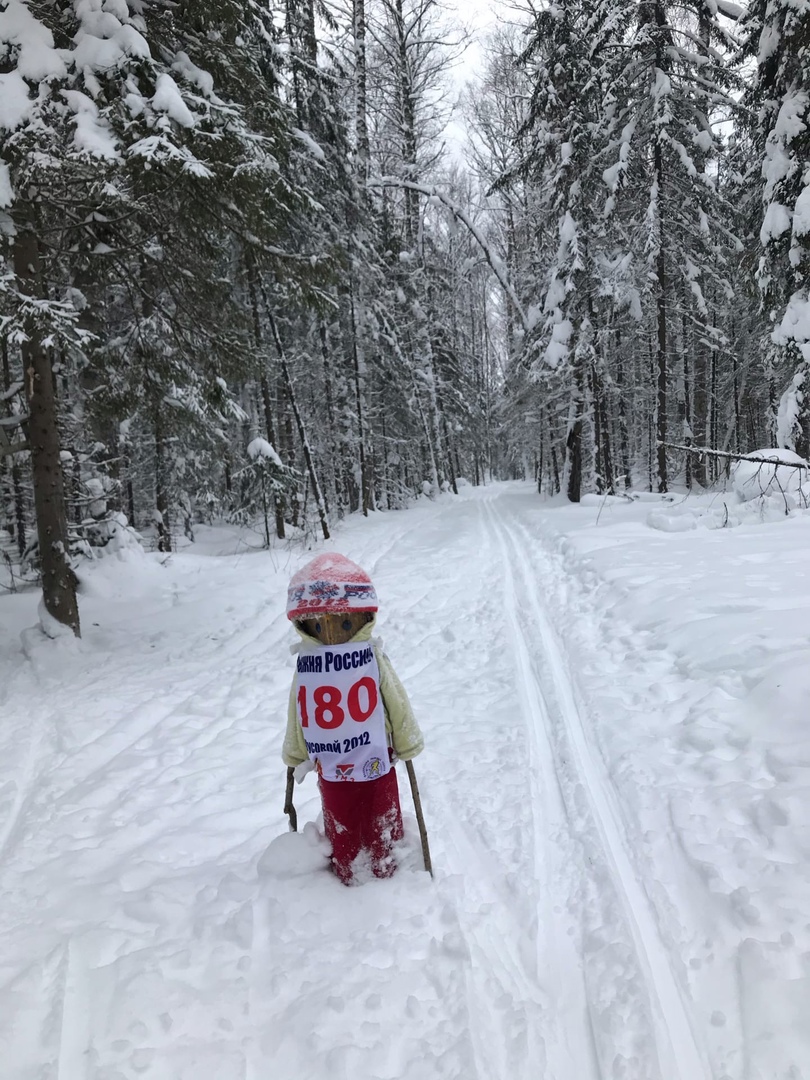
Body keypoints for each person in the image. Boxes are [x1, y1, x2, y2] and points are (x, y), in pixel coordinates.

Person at [282, 552, 424, 885]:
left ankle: (386, 862)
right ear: (305, 626)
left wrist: (406, 738)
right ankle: (347, 869)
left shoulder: (371, 658)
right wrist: (295, 751)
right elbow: (298, 709)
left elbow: (394, 699)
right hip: (331, 766)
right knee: (340, 819)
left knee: (382, 815)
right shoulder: (307, 667)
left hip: (376, 756)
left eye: (344, 624)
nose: (331, 634)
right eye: (318, 626)